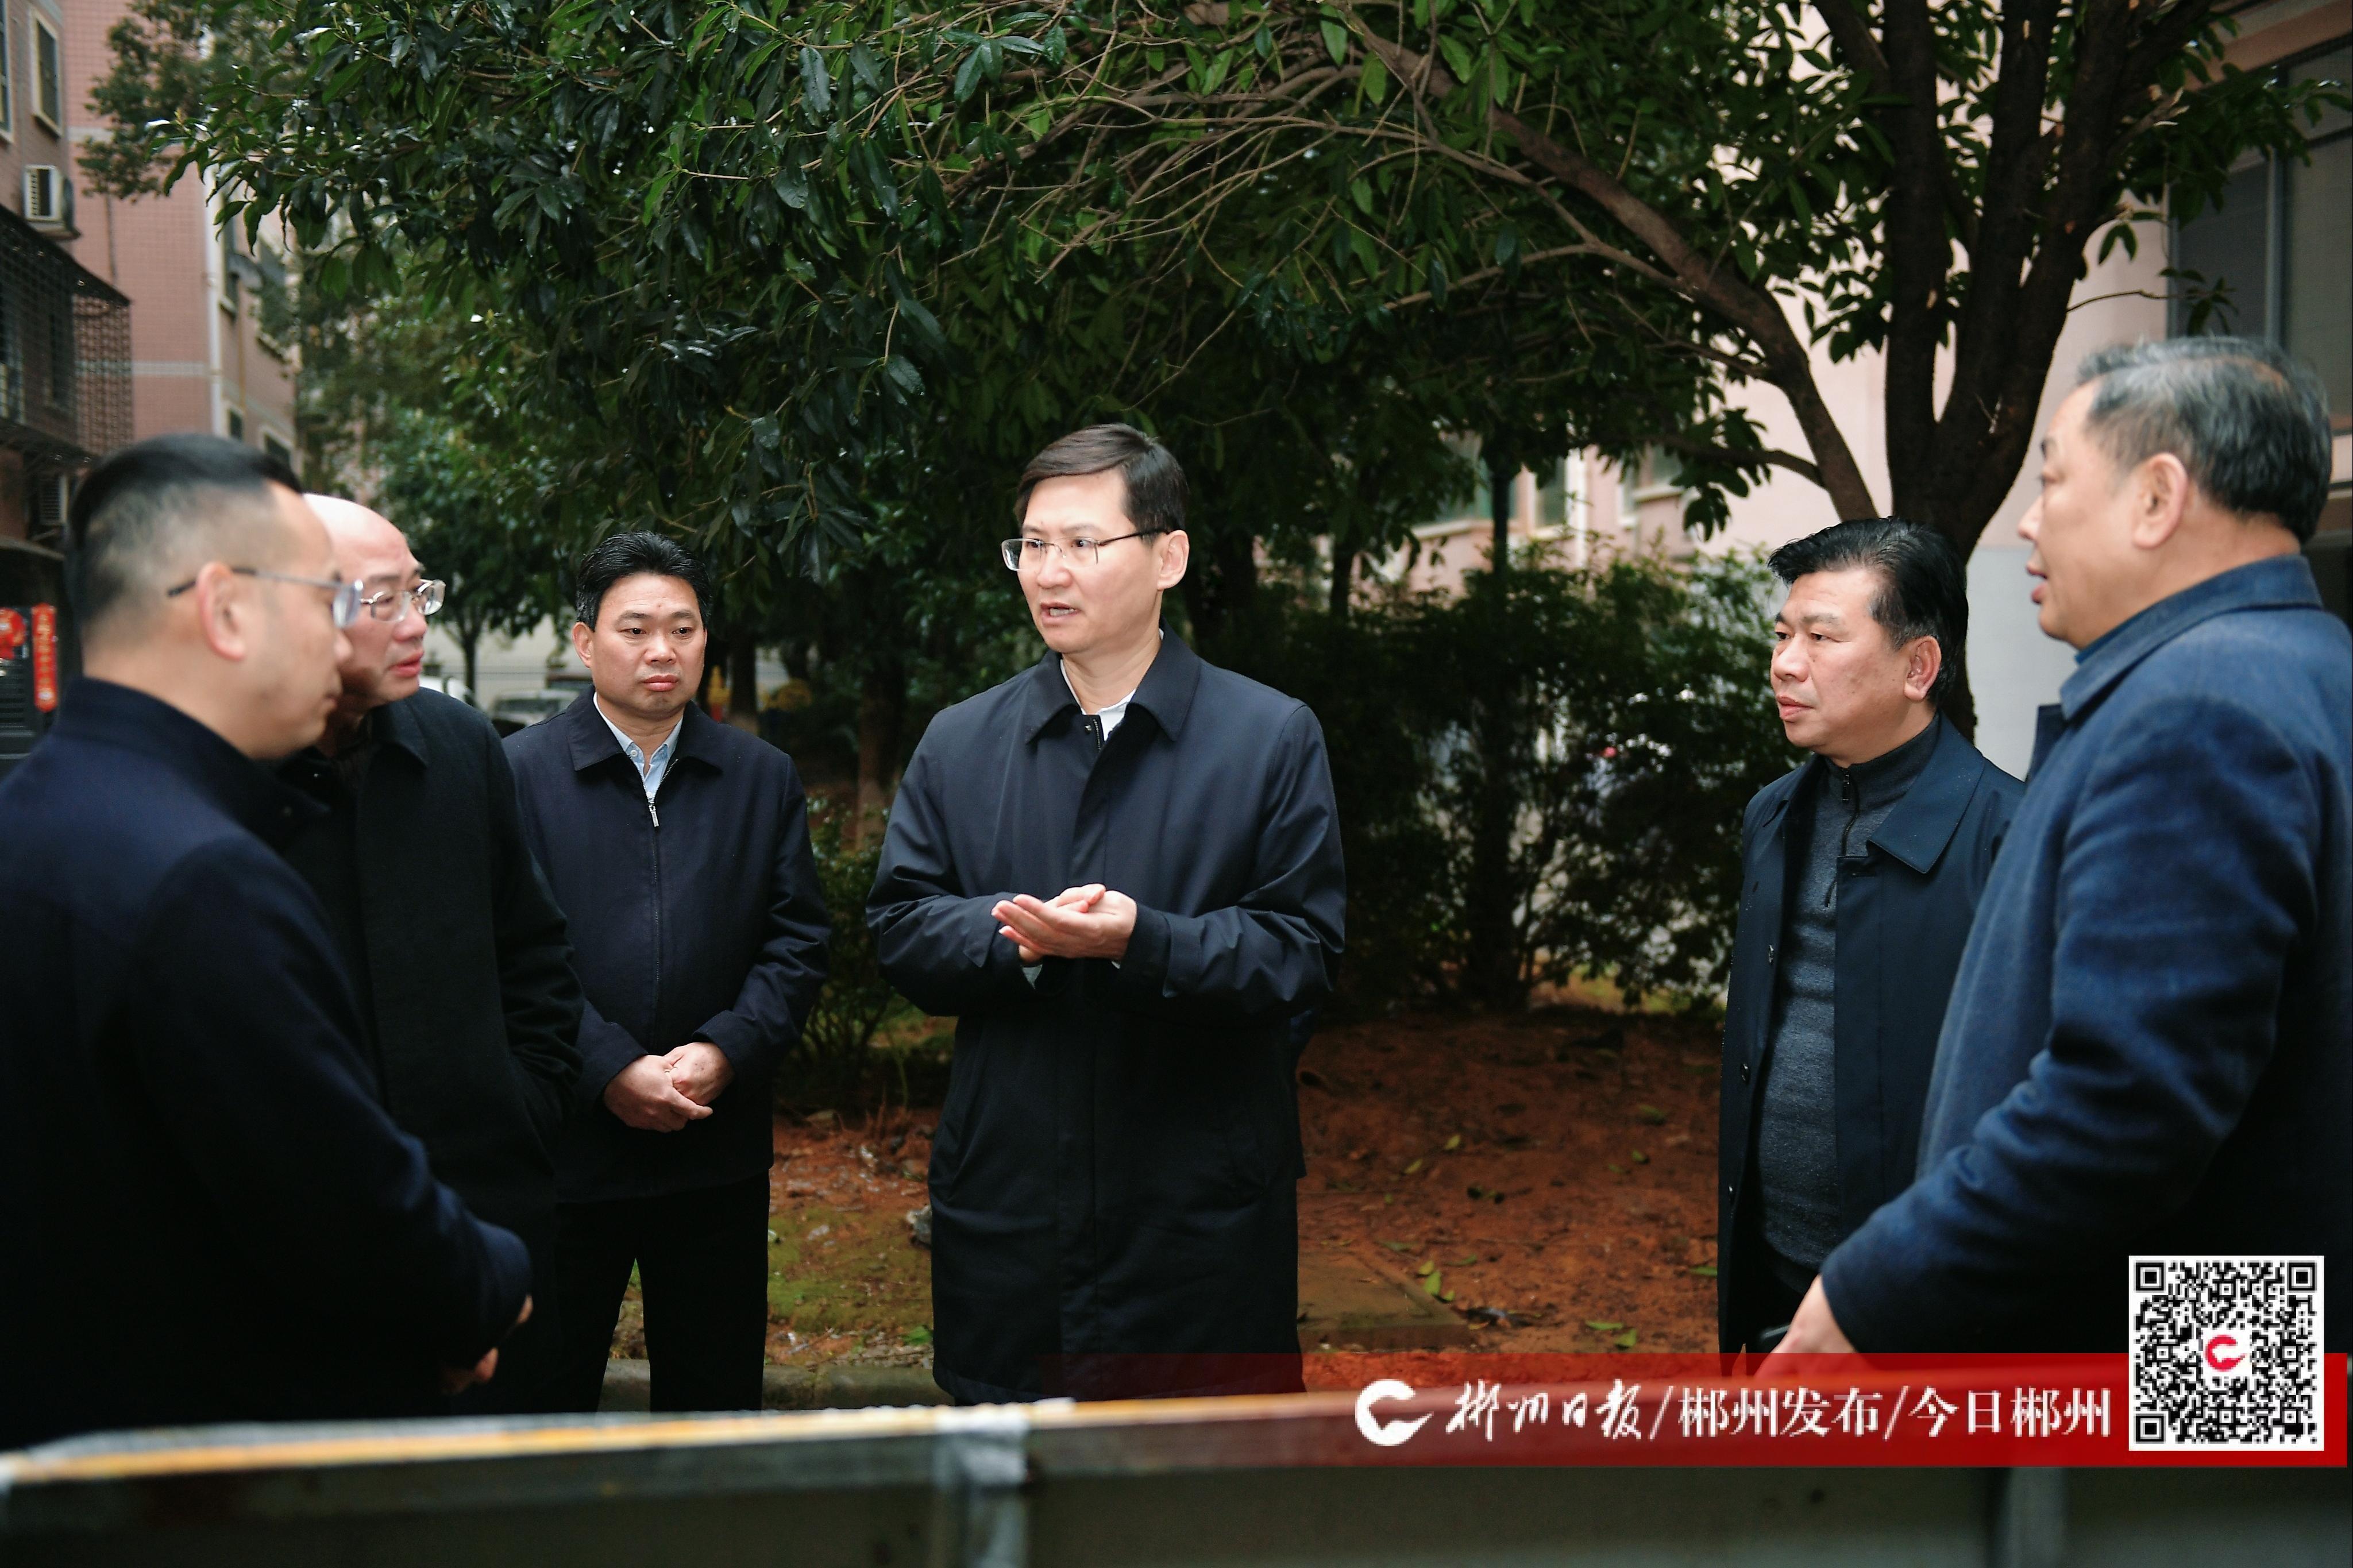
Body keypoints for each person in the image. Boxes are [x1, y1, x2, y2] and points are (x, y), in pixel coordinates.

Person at [1782, 337, 2351, 1356]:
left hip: (2194, 1343)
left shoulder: (2201, 709)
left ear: (2156, 498)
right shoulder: (2309, 664)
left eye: (2051, 480)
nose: (2029, 521)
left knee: (2208, 1488)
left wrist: (1869, 1295)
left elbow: (2129, 1106)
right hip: (2252, 1321)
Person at [0, 435, 531, 1447]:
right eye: (327, 599)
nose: (344, 642)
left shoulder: (35, 819)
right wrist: (488, 1282)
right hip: (206, 1471)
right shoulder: (206, 880)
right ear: (227, 609)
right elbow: (343, 1208)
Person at [867, 424, 1346, 1404]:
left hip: (1197, 1219)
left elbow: (1302, 950)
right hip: (1013, 1210)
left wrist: (1144, 940)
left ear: (1168, 556)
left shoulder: (1269, 736)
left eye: (1084, 543)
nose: (1050, 572)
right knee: (1020, 1476)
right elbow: (902, 924)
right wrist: (1022, 939)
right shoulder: (962, 741)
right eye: (1033, 544)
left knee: (1193, 1473)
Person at [506, 532, 828, 1413]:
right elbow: (506, 953)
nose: (662, 650)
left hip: (713, 1152)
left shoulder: (760, 777)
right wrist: (607, 1067)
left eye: (683, 629)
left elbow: (798, 940)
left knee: (713, 1406)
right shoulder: (518, 775)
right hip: (567, 1155)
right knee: (544, 1402)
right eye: (636, 629)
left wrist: (726, 1050)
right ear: (585, 642)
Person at [275, 496, 584, 1413]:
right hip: (307, 1257)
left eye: (421, 593)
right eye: (384, 600)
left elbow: (533, 947)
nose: (415, 624)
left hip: (490, 1211)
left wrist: (524, 1100)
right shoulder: (231, 776)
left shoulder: (459, 744)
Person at [1716, 519, 2023, 1354]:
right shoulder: (1774, 817)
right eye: (1783, 634)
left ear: (1918, 667)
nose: (1786, 663)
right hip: (1772, 1288)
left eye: (1821, 638)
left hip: (1925, 1312)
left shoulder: (2011, 840)